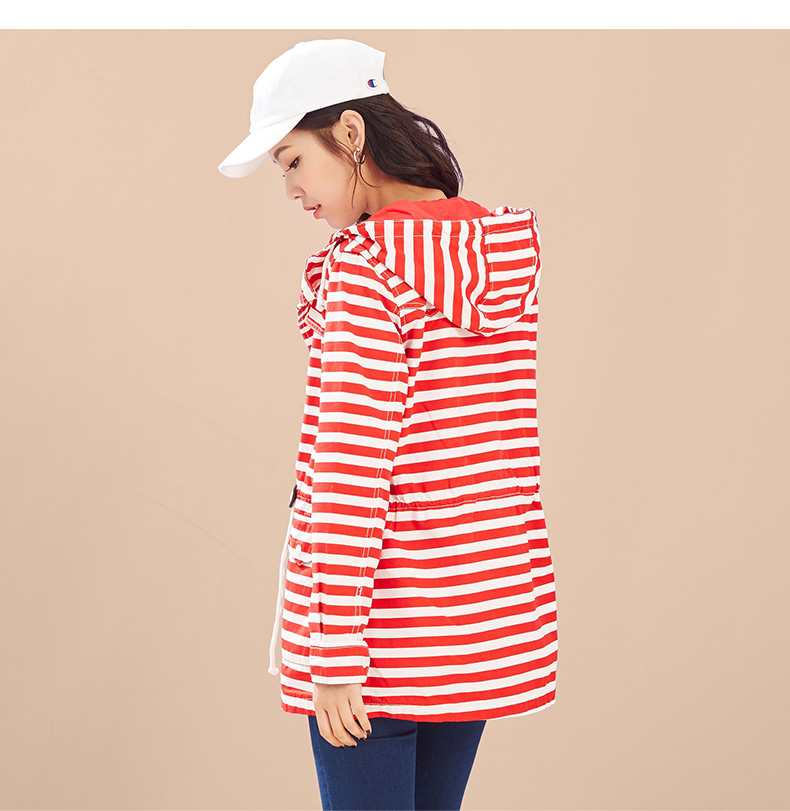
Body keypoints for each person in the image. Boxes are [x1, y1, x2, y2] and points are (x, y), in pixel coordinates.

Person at [218, 38, 558, 811]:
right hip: (474, 630)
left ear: (349, 133)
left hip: (377, 644)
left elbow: (350, 469)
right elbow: (500, 454)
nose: (291, 188)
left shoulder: (368, 271)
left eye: (292, 160)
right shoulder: (499, 256)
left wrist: (334, 653)